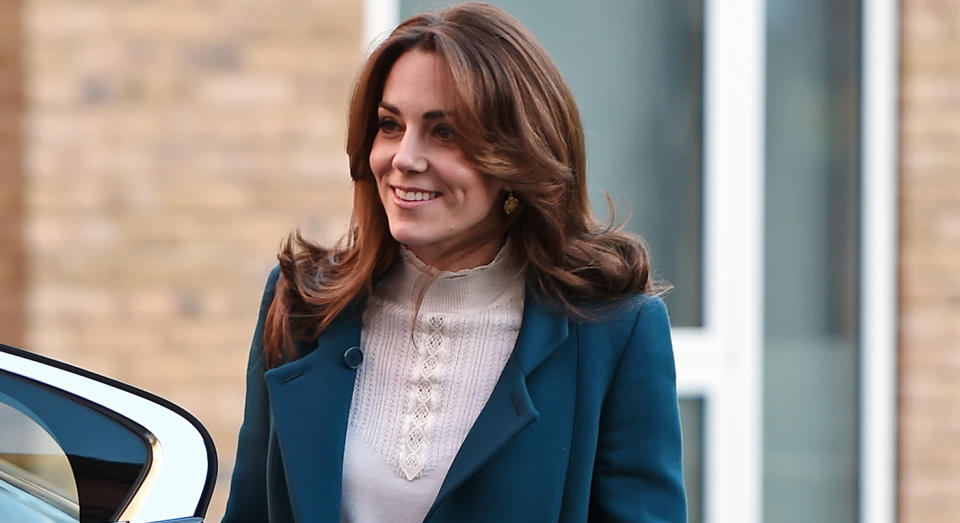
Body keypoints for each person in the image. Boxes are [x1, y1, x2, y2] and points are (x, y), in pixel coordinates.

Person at [223, 3, 686, 522]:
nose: (404, 158)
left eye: (445, 132)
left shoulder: (614, 332)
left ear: (515, 157)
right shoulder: (303, 305)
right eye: (390, 125)